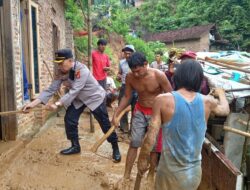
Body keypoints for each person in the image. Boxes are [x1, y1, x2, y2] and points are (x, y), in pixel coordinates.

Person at [138, 59, 230, 190]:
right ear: (199, 80)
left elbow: (151, 136)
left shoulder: (162, 100)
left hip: (168, 174)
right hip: (193, 175)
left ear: (178, 77)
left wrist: (142, 159)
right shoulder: (208, 101)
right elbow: (225, 110)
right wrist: (221, 94)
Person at [22, 49, 121, 162]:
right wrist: (32, 104)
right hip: (79, 99)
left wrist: (58, 103)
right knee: (69, 119)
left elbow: (74, 90)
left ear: (70, 61)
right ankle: (75, 146)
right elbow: (50, 90)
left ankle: (115, 147)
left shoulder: (81, 70)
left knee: (105, 124)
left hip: (94, 97)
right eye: (58, 63)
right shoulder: (60, 72)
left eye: (61, 63)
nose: (59, 66)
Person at [112, 52, 172, 186]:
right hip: (139, 110)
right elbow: (127, 97)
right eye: (134, 72)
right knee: (134, 142)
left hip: (156, 113)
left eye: (138, 71)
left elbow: (171, 96)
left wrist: (168, 118)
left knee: (154, 146)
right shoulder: (130, 77)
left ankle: (151, 173)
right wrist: (116, 113)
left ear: (146, 64)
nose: (136, 75)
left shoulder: (159, 76)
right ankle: (126, 175)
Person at [116, 45, 137, 133]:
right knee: (122, 106)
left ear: (133, 53)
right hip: (124, 87)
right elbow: (119, 73)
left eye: (129, 53)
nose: (127, 55)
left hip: (135, 87)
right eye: (126, 53)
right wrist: (118, 77)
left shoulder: (136, 62)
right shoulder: (121, 63)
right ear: (123, 54)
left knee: (135, 109)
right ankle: (124, 128)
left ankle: (133, 129)